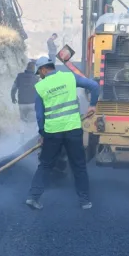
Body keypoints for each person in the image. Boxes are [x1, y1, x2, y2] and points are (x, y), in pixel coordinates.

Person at [27, 57, 100, 210]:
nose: (40, 76)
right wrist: (92, 105)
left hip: (53, 133)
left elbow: (40, 116)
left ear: (43, 69)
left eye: (39, 73)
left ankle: (33, 197)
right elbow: (94, 86)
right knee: (78, 166)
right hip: (73, 130)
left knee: (45, 165)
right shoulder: (69, 77)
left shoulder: (40, 87)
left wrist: (42, 134)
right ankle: (85, 201)